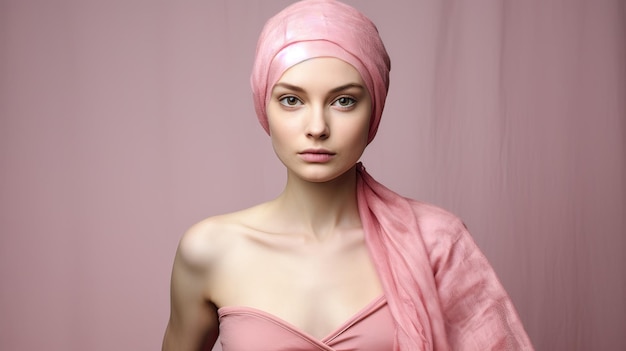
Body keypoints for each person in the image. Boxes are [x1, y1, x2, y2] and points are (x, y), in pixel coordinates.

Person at [162, 0, 534, 350]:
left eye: (344, 101)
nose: (318, 127)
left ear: (375, 109)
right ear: (264, 106)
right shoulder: (209, 251)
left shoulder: (436, 243)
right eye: (291, 100)